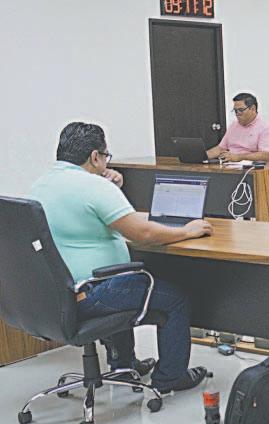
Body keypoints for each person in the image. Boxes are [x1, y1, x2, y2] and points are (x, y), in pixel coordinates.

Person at [31, 122, 214, 393]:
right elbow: (144, 234)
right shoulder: (93, 187)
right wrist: (188, 231)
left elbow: (84, 218)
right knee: (173, 299)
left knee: (123, 282)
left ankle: (123, 365)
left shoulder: (41, 185)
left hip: (59, 294)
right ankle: (170, 378)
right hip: (92, 291)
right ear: (95, 156)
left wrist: (111, 186)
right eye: (105, 156)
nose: (106, 162)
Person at [206, 92, 269, 162]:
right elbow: (220, 149)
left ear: (253, 108)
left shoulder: (266, 128)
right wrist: (203, 156)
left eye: (241, 110)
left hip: (251, 167)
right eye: (235, 111)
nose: (237, 114)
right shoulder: (233, 126)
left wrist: (239, 157)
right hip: (229, 165)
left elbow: (266, 155)